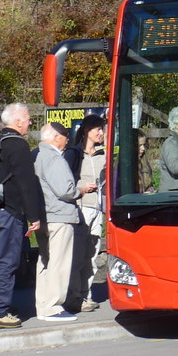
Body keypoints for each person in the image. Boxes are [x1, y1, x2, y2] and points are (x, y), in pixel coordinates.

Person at [0, 103, 44, 329]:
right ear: (17, 121)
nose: (30, 122)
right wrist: (34, 216)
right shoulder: (16, 144)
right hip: (9, 212)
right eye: (27, 118)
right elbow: (26, 184)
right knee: (6, 261)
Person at [33, 123, 95, 323]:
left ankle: (43, 305)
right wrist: (81, 189)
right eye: (66, 135)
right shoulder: (53, 158)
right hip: (59, 216)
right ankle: (54, 306)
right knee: (59, 263)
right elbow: (65, 190)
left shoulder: (37, 154)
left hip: (44, 216)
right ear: (55, 137)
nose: (68, 139)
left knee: (45, 262)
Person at [68, 114, 107, 312]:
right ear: (86, 131)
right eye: (97, 129)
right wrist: (82, 186)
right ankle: (74, 296)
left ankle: (86, 294)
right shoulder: (74, 154)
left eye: (102, 129)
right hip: (80, 207)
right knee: (78, 254)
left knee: (92, 254)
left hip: (98, 209)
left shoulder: (104, 155)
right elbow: (64, 181)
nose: (101, 133)